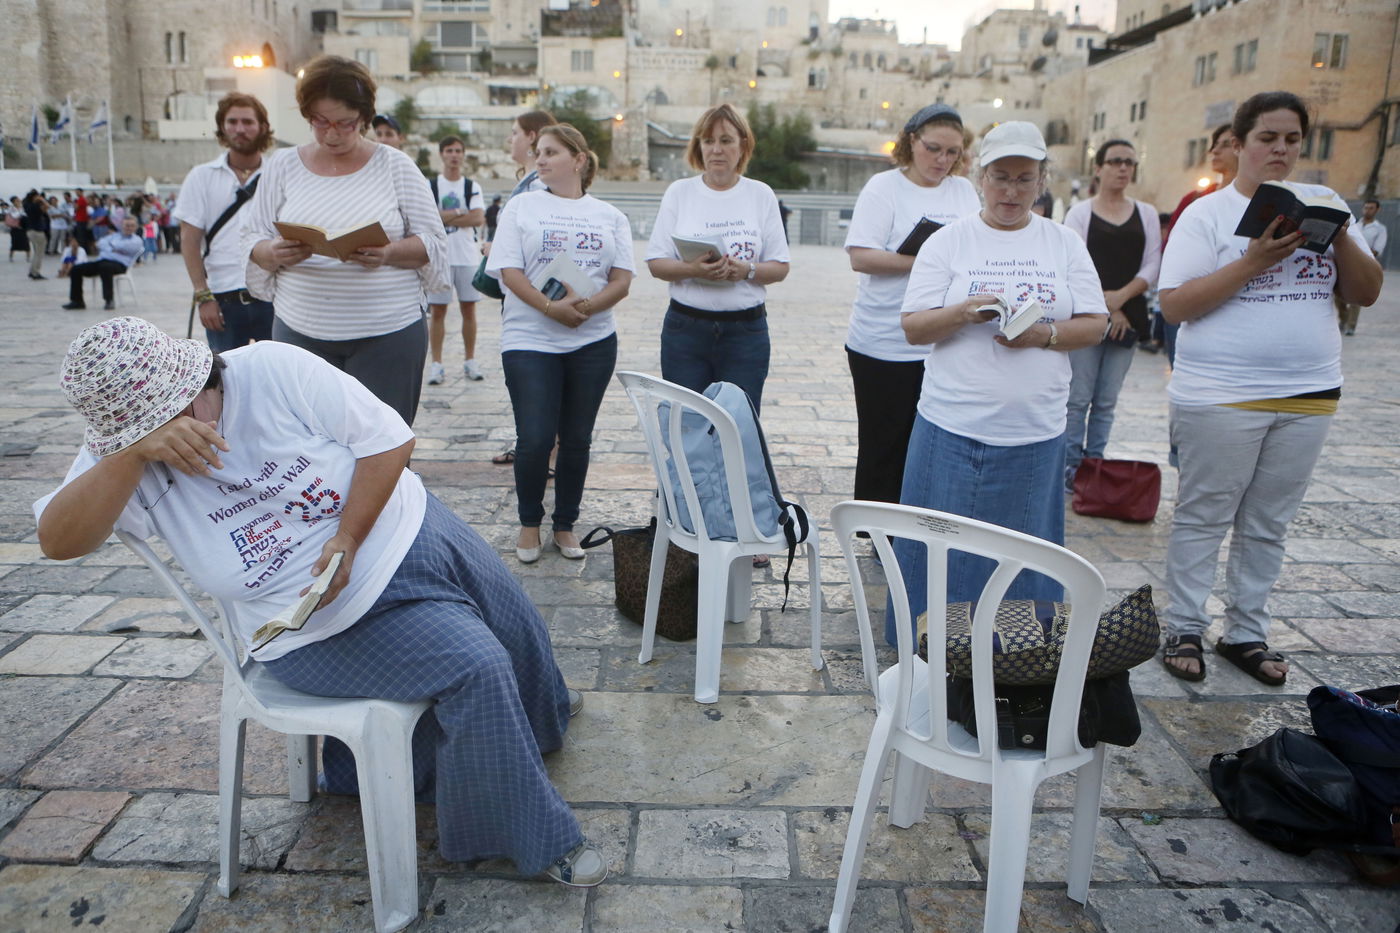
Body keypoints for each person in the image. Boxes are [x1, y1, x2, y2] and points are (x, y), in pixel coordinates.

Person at [34, 316, 608, 887]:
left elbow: (388, 441)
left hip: (398, 528)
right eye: (157, 428)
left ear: (200, 379)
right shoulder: (126, 462)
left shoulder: (269, 370)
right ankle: (522, 834)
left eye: (185, 411)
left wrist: (347, 539)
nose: (182, 432)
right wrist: (132, 454)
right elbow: (58, 542)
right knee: (477, 667)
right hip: (317, 623)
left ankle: (538, 715)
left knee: (518, 626)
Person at [1157, 91, 1382, 685]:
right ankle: (1183, 624)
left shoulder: (1329, 203)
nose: (1280, 149)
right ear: (1239, 145)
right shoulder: (1206, 215)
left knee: (1269, 521)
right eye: (1267, 138)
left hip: (1308, 393)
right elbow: (1176, 305)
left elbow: (1367, 292)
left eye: (1291, 139)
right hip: (1221, 394)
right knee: (1206, 514)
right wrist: (1253, 261)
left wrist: (1335, 236)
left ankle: (1247, 631)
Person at [888, 121, 1109, 644]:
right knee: (936, 549)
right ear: (979, 177)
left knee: (1024, 556)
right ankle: (925, 653)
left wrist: (1043, 335)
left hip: (1034, 430)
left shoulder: (1064, 242)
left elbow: (1096, 323)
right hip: (950, 423)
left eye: (1024, 179)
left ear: (1041, 182)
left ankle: (1017, 660)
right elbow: (914, 327)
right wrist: (963, 312)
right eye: (1001, 177)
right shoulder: (948, 241)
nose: (1011, 191)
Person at [242, 55, 447, 427]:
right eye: (319, 122)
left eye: (344, 123)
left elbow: (433, 242)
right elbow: (252, 238)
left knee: (383, 445)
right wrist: (272, 252)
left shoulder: (395, 166)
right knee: (309, 448)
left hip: (388, 333)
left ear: (365, 117)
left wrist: (388, 253)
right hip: (300, 332)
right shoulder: (282, 166)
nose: (331, 134)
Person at [486, 123, 633, 564]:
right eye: (537, 152)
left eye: (550, 152)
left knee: (577, 439)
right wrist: (553, 310)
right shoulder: (522, 207)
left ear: (579, 159)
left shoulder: (610, 216)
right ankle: (529, 522)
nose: (540, 160)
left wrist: (583, 310)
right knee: (533, 438)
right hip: (530, 339)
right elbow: (510, 273)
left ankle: (565, 524)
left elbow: (622, 280)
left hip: (593, 342)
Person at [842, 103, 980, 510]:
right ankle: (877, 529)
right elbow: (861, 257)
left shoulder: (963, 191)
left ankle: (923, 523)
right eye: (933, 148)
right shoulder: (884, 188)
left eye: (952, 152)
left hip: (943, 338)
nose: (942, 160)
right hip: (883, 341)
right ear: (911, 141)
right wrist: (928, 260)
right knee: (884, 442)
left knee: (935, 441)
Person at [645, 103, 790, 413]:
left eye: (726, 140)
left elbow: (779, 267)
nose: (716, 150)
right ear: (698, 146)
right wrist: (691, 269)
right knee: (686, 426)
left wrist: (746, 270)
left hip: (745, 334)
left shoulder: (760, 194)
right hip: (686, 331)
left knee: (740, 427)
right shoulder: (680, 193)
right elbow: (656, 263)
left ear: (743, 146)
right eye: (708, 141)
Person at [1062, 139, 1161, 489]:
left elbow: (1152, 264)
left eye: (1130, 163)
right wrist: (1106, 307)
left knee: (1106, 400)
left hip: (1128, 317)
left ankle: (1095, 466)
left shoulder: (1146, 213)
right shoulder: (1080, 213)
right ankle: (1070, 469)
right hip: (1087, 316)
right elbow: (1073, 264)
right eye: (1116, 161)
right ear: (1099, 167)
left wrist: (1119, 300)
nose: (1123, 168)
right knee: (1077, 398)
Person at [175, 92, 278, 352]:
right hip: (224, 299)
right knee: (226, 382)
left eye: (247, 122)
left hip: (274, 296)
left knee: (280, 378)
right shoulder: (201, 177)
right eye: (232, 122)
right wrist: (203, 295)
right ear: (222, 127)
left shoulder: (279, 175)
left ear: (262, 127)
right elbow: (189, 240)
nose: (239, 129)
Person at [489, 108, 557, 467]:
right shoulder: (527, 181)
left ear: (532, 137)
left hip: (534, 294)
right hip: (522, 294)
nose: (511, 139)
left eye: (515, 132)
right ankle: (535, 445)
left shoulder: (538, 185)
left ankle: (543, 451)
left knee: (541, 377)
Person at [425, 135, 487, 385]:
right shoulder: (432, 185)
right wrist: (460, 213)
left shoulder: (471, 186)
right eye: (449, 150)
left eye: (458, 150)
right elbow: (428, 217)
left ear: (463, 154)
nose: (454, 155)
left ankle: (470, 360)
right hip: (440, 256)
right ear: (441, 154)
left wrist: (445, 217)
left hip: (466, 255)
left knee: (468, 309)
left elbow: (477, 219)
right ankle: (437, 364)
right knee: (438, 311)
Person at [62, 215, 144, 310]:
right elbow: (100, 243)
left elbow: (126, 247)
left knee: (106, 267)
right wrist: (114, 248)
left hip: (120, 265)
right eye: (127, 225)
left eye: (131, 225)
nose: (129, 228)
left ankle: (109, 300)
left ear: (136, 227)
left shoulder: (137, 240)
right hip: (102, 261)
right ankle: (77, 301)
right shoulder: (114, 235)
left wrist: (111, 246)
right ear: (122, 226)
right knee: (76, 269)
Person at [1338, 198, 1388, 335]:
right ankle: (1343, 319)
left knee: (1356, 296)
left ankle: (1351, 326)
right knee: (1338, 296)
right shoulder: (1355, 224)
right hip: (1345, 263)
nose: (1367, 210)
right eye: (1366, 207)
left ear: (1377, 210)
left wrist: (1358, 256)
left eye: (1371, 208)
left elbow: (1377, 249)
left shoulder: (1380, 229)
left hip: (1365, 266)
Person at [23, 190, 50, 279]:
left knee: (36, 253)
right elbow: (47, 206)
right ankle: (35, 272)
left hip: (30, 231)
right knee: (39, 254)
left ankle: (32, 271)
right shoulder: (35, 206)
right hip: (38, 231)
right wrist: (42, 200)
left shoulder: (27, 205)